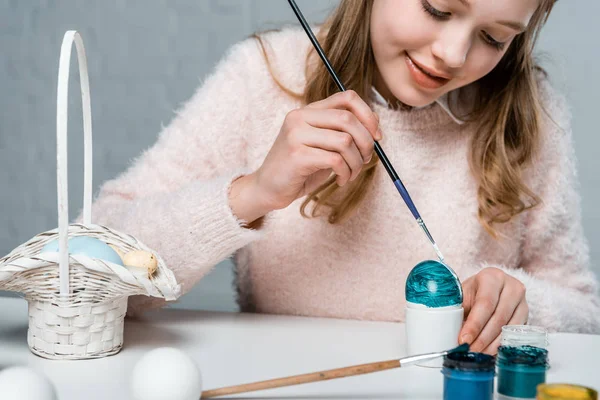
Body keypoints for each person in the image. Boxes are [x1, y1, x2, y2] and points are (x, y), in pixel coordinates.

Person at [89, 0, 600, 354]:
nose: (453, 54)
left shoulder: (528, 114)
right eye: (437, 9)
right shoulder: (265, 76)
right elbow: (91, 268)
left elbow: (584, 308)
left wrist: (525, 304)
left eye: (493, 37)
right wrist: (253, 193)